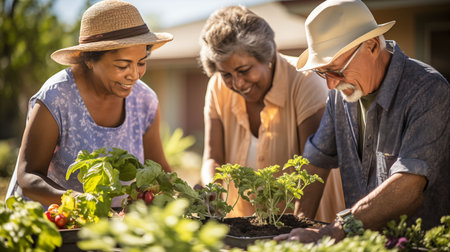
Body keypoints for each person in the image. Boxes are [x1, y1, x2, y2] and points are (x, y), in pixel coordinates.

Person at [275, 0, 450, 243]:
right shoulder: (340, 95)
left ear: (371, 46)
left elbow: (408, 187)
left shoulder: (428, 90)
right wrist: (296, 230)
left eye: (337, 70)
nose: (331, 84)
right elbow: (315, 162)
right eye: (323, 72)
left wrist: (334, 231)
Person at [6, 0, 173, 208]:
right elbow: (29, 176)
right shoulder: (57, 97)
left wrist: (188, 194)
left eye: (141, 63)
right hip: (51, 223)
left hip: (110, 227)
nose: (134, 75)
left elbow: (158, 169)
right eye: (122, 65)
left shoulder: (144, 100)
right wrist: (78, 201)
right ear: (89, 60)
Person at [199, 5, 345, 223]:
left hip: (306, 221)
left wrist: (295, 230)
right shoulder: (218, 87)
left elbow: (312, 171)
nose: (237, 83)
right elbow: (212, 157)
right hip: (245, 225)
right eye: (226, 74)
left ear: (266, 56)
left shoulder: (304, 82)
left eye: (244, 70)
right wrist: (211, 188)